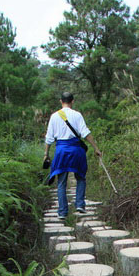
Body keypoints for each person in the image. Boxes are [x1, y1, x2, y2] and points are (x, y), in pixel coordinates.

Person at [44, 92, 102, 220]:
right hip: (76, 150)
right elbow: (85, 133)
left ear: (61, 101)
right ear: (72, 101)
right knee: (80, 177)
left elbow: (49, 138)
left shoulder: (54, 116)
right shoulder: (77, 115)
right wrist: (96, 148)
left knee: (61, 182)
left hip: (61, 151)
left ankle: (62, 212)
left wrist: (46, 154)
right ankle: (80, 204)